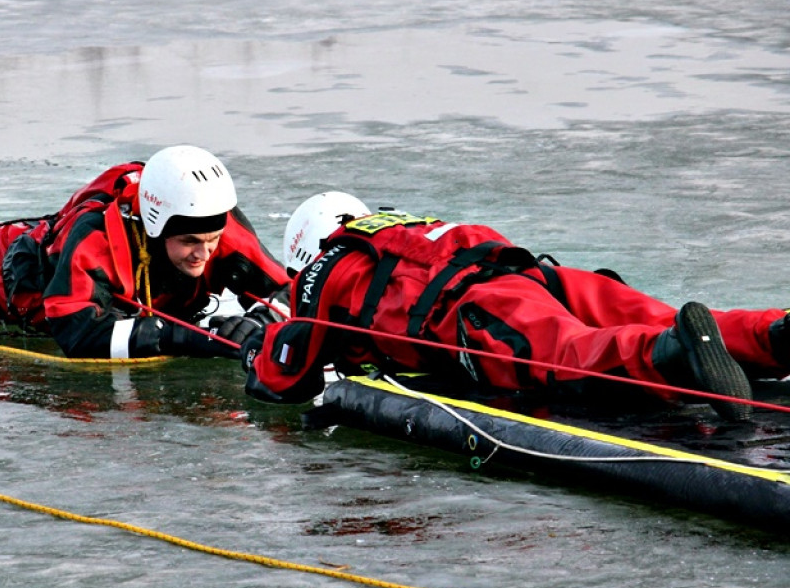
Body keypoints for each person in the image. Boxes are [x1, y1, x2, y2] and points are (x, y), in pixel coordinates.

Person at [242, 192, 790, 422]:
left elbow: (284, 377)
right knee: (651, 312)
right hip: (534, 275)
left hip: (479, 311)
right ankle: (772, 334)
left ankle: (670, 356)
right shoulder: (399, 227)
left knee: (572, 356)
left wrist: (253, 348)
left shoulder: (323, 270)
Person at [0, 145, 289, 359]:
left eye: (211, 241)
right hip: (9, 280)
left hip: (46, 242)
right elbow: (79, 334)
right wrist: (185, 338)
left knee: (8, 234)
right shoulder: (97, 241)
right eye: (188, 243)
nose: (203, 254)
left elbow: (288, 292)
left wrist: (261, 322)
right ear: (153, 223)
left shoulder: (214, 221)